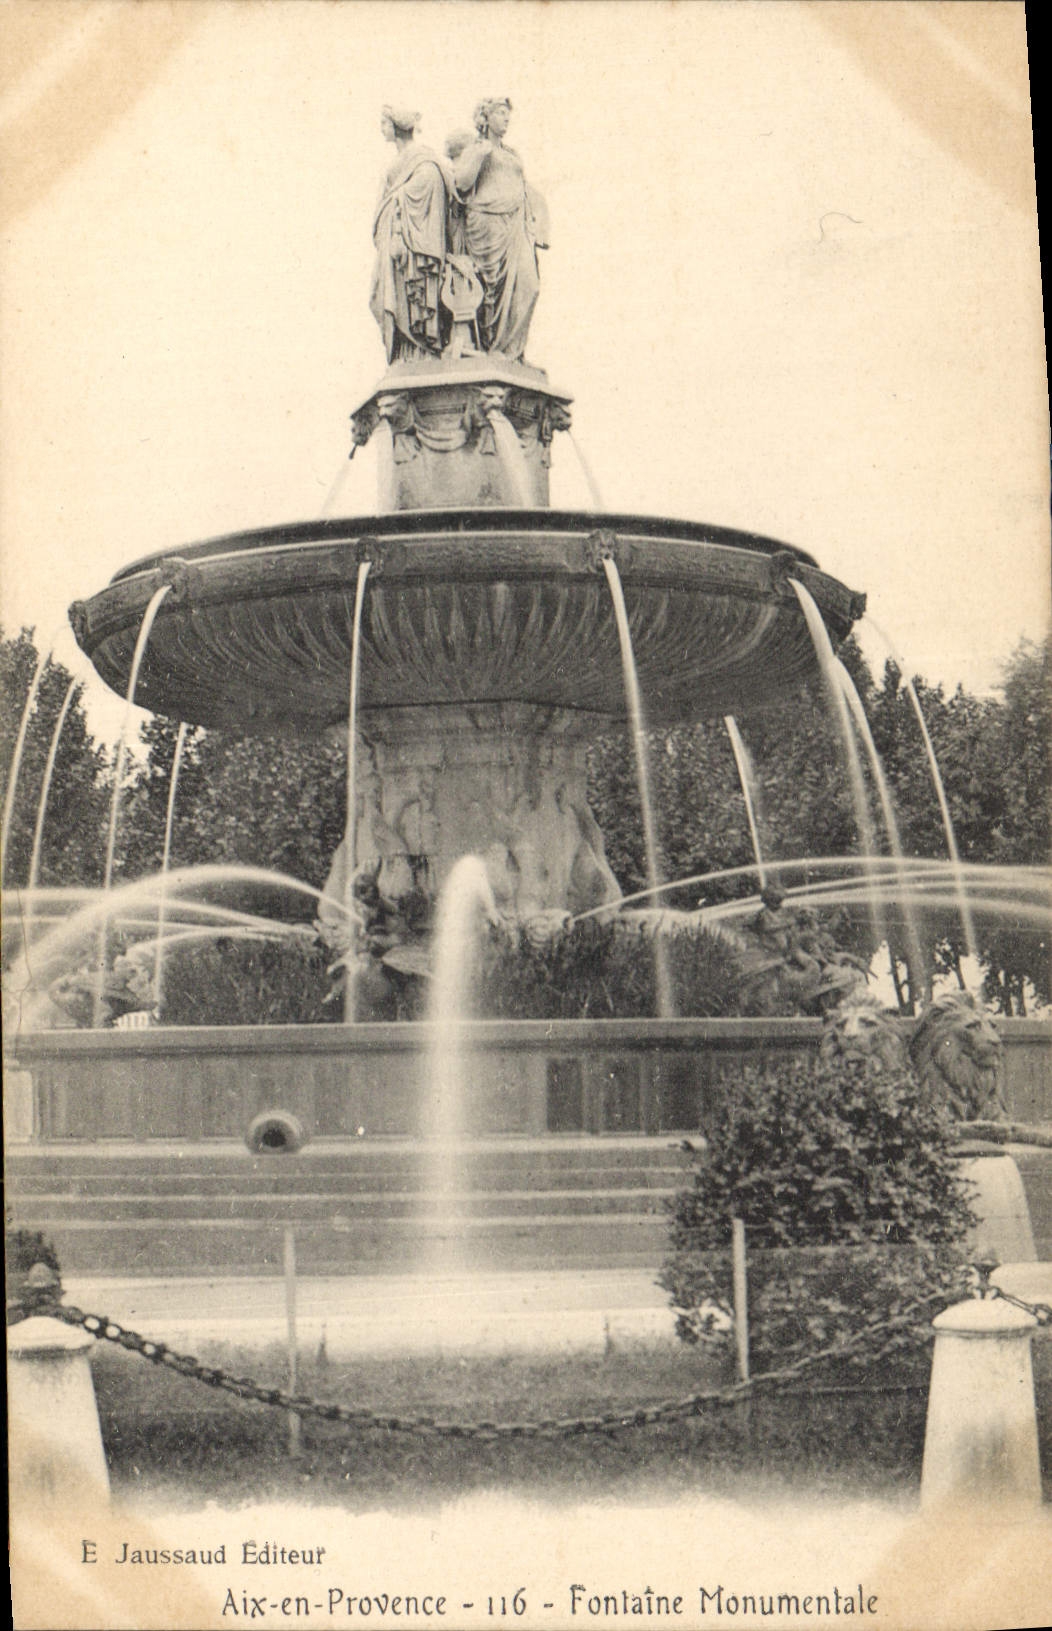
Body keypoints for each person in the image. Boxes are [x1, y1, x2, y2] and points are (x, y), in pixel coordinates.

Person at [451, 98, 548, 361]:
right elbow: (460, 183)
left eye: (508, 114)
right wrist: (479, 157)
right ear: (486, 117)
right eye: (501, 113)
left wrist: (538, 221)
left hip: (515, 225)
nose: (506, 119)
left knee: (529, 285)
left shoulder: (513, 154)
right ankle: (493, 350)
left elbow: (526, 188)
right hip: (487, 226)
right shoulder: (476, 148)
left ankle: (511, 350)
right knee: (490, 290)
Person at [369, 106, 449, 362]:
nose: (382, 129)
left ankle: (420, 350)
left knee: (415, 299)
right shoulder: (398, 163)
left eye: (384, 123)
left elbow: (428, 190)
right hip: (396, 252)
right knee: (382, 295)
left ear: (396, 126)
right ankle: (405, 351)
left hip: (414, 249)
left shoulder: (424, 161)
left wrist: (397, 210)